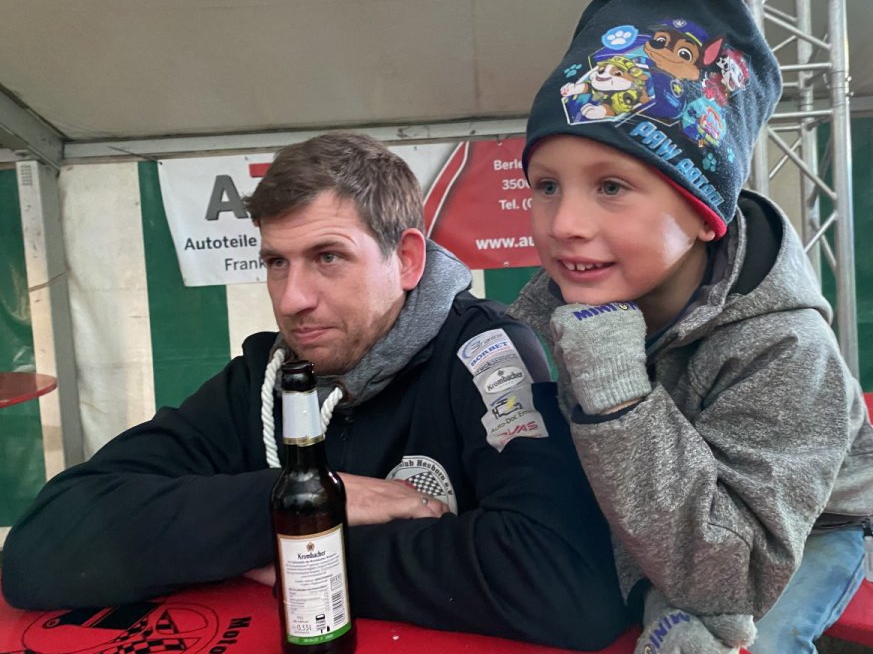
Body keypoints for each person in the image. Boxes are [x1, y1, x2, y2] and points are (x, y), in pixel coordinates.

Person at [2, 132, 628, 650]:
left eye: (328, 257)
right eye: (277, 262)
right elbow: (43, 548)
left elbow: (568, 586)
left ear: (407, 260)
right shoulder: (266, 376)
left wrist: (299, 555)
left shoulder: (485, 354)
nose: (293, 299)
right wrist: (309, 501)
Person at [507, 0, 873, 654]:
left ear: (704, 214)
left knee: (755, 641)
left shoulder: (786, 346)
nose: (564, 223)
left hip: (812, 526)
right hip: (667, 520)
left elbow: (734, 578)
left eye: (611, 186)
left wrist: (615, 392)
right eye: (546, 185)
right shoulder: (554, 310)